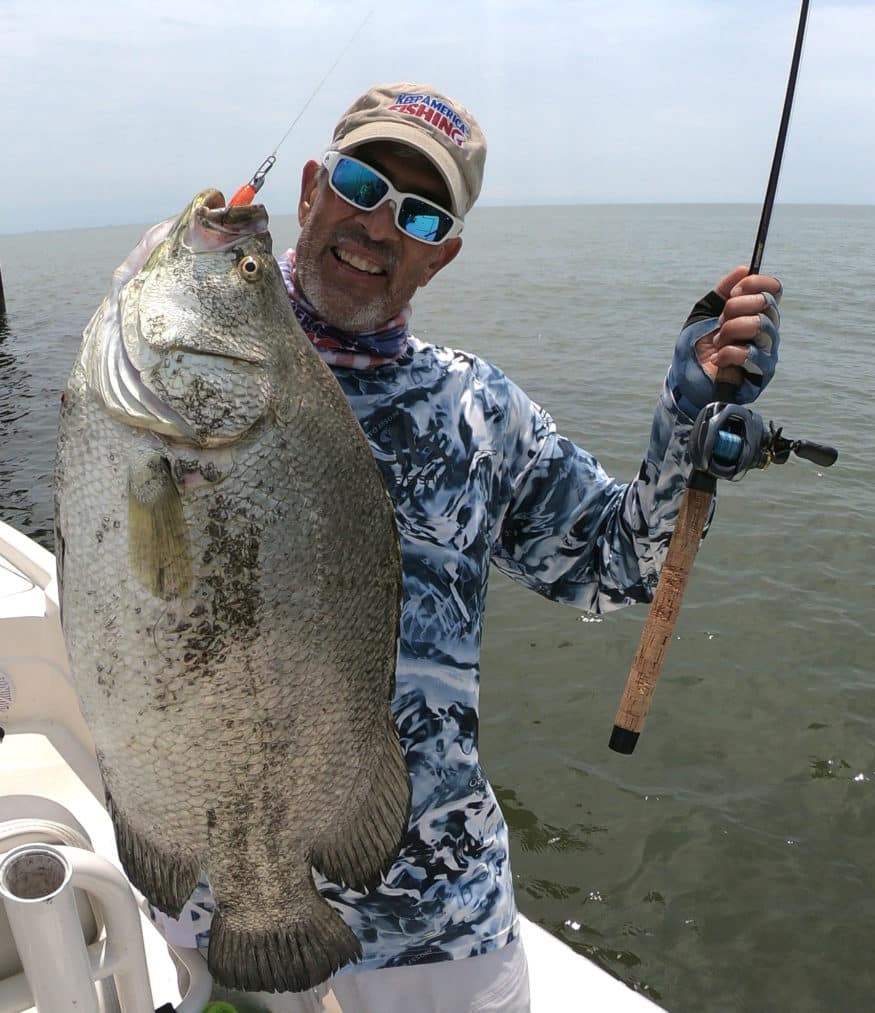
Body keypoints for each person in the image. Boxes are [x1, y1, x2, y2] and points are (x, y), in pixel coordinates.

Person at [158, 82, 783, 1012]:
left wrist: (684, 422)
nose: (379, 226)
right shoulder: (177, 362)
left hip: (436, 921)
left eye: (419, 212)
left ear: (441, 255)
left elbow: (615, 568)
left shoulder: (478, 412)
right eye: (363, 183)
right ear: (308, 189)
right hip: (216, 890)